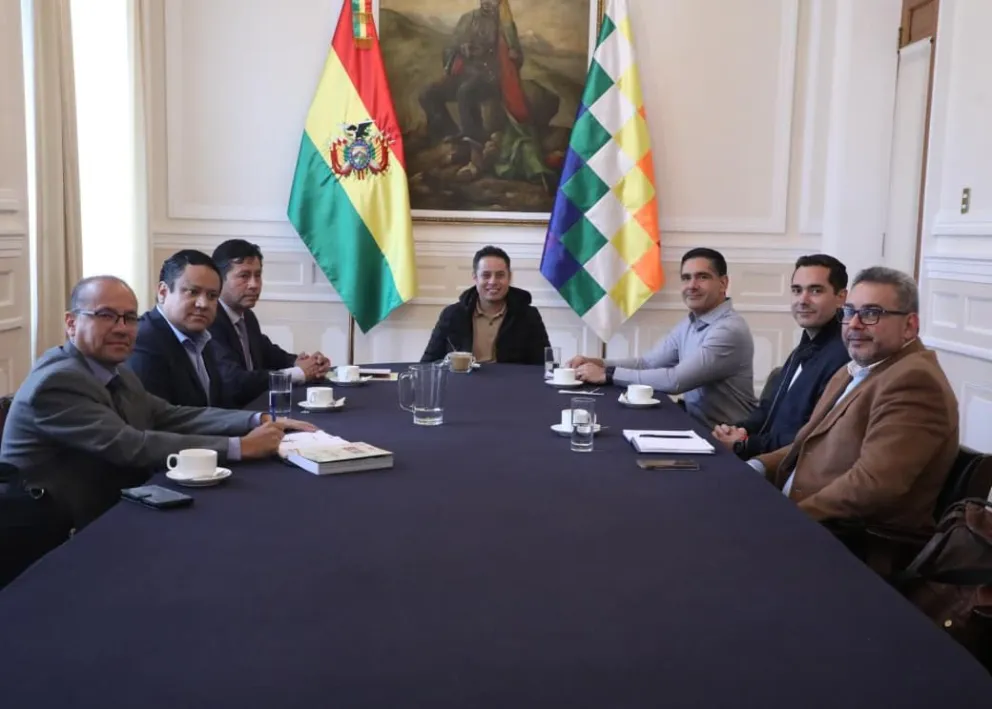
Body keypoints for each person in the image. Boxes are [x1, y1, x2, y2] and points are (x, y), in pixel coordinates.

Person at [0, 275, 313, 538]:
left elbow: (167, 415)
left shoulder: (113, 369)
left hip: (104, 506)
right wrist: (239, 447)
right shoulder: (58, 381)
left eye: (129, 318)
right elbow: (131, 445)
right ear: (71, 323)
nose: (121, 328)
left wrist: (255, 419)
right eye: (106, 315)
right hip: (52, 531)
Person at [748, 267, 959, 532]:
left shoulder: (914, 381)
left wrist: (789, 519)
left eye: (871, 313)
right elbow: (806, 444)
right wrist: (757, 466)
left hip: (848, 540)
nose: (854, 324)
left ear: (909, 326)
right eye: (849, 312)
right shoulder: (856, 368)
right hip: (806, 519)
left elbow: (873, 485)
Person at [568, 248, 757, 428]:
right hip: (695, 424)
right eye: (686, 278)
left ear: (723, 283)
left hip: (725, 439)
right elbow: (647, 364)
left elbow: (675, 381)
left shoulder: (728, 330)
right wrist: (599, 363)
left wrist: (607, 375)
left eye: (702, 277)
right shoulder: (691, 322)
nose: (692, 285)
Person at [712, 254, 850, 458]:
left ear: (841, 297)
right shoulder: (806, 345)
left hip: (787, 468)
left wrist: (745, 445)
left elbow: (810, 438)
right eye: (797, 290)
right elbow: (769, 407)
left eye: (816, 290)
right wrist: (741, 430)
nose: (803, 300)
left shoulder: (843, 356)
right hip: (764, 455)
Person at [209, 239, 330, 393]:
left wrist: (306, 363)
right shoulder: (210, 320)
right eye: (244, 276)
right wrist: (299, 373)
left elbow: (271, 355)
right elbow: (235, 380)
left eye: (258, 275)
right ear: (219, 280)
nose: (254, 285)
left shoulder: (247, 316)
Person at [128, 250, 240, 408]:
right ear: (163, 292)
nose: (203, 304)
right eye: (193, 292)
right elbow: (157, 419)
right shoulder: (143, 342)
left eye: (212, 296)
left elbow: (216, 404)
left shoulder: (202, 337)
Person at [421, 245, 550, 365]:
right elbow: (428, 363)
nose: (493, 281)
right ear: (475, 277)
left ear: (509, 277)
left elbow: (544, 366)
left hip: (511, 381)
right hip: (464, 380)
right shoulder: (452, 315)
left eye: (500, 275)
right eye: (486, 275)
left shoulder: (528, 316)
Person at [419, 0, 525, 145]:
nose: (487, 2)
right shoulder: (467, 19)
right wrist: (461, 49)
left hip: (490, 77)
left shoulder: (504, 25)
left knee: (466, 91)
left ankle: (474, 138)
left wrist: (509, 54)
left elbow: (516, 56)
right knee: (428, 93)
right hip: (464, 73)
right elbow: (451, 47)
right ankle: (450, 133)